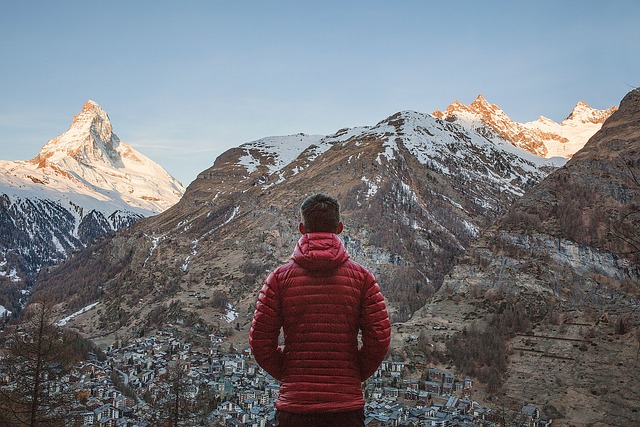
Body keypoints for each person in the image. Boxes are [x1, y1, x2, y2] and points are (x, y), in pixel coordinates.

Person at [250, 193, 391, 427]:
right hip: (346, 407)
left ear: (302, 228)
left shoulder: (279, 279)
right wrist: (352, 374)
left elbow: (260, 341)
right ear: (340, 227)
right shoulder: (362, 278)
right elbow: (379, 338)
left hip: (295, 407)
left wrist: (289, 374)